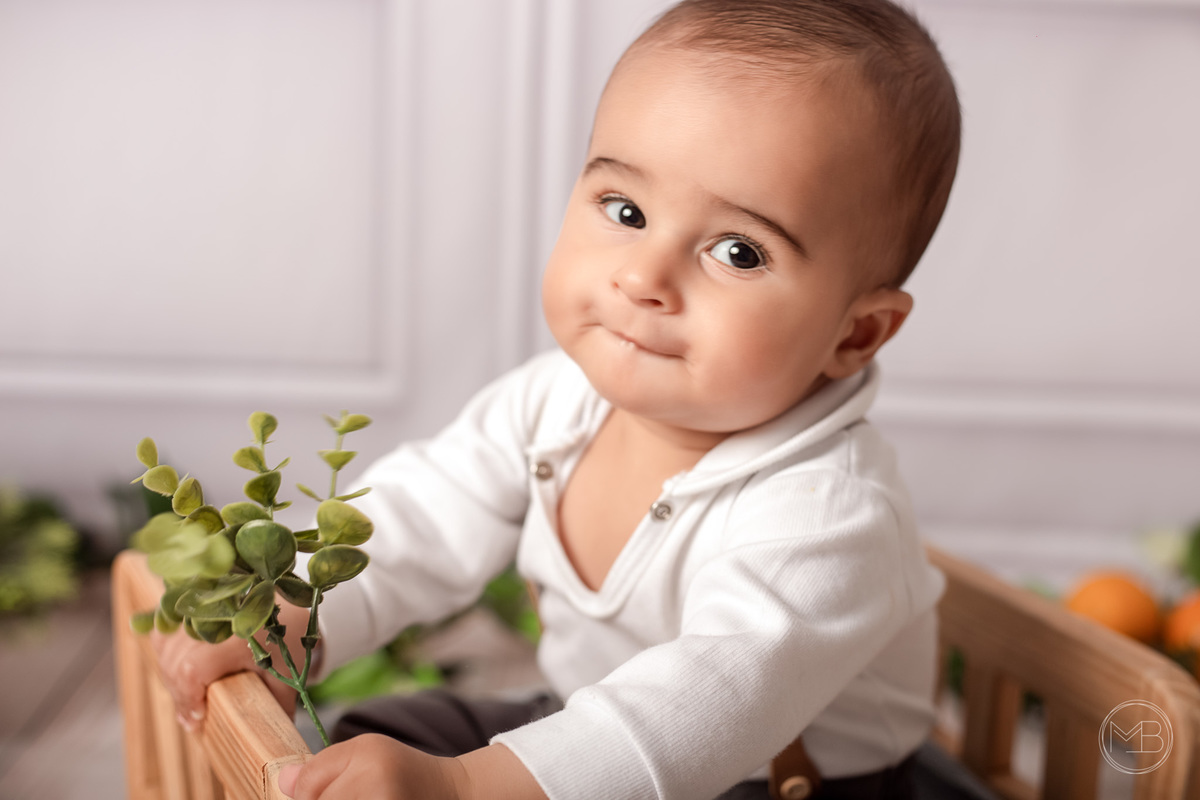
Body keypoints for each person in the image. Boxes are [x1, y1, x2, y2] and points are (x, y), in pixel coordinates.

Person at [153, 1, 962, 797]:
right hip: (584, 726)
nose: (643, 277)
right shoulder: (553, 402)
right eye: (626, 210)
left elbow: (700, 708)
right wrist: (295, 614)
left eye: (738, 251)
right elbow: (421, 518)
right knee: (379, 745)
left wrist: (469, 788)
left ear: (855, 336)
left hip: (754, 778)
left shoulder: (828, 512)